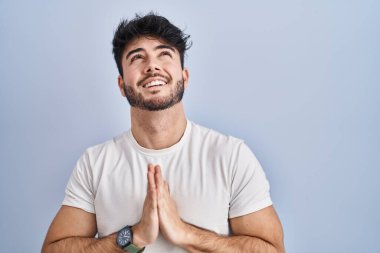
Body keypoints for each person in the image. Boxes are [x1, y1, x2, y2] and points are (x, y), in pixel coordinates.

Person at [42, 12, 285, 253]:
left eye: (164, 54)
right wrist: (134, 237)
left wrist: (185, 234)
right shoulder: (95, 163)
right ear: (121, 86)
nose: (152, 66)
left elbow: (273, 250)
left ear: (184, 77)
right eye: (137, 58)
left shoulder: (231, 155)